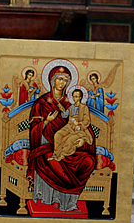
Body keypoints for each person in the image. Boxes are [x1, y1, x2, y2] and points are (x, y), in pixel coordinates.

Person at [27, 66, 96, 212]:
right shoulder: (41, 103)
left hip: (70, 145)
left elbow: (84, 124)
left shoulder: (71, 102)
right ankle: (59, 201)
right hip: (46, 145)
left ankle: (71, 201)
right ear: (52, 81)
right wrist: (47, 121)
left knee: (88, 161)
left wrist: (83, 140)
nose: (62, 83)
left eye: (66, 80)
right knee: (57, 166)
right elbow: (34, 129)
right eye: (59, 79)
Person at [50, 89, 94, 161]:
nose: (74, 98)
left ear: (80, 97)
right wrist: (62, 110)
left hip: (80, 128)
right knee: (57, 135)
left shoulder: (84, 107)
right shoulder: (71, 107)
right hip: (69, 126)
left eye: (76, 96)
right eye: (73, 96)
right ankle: (55, 154)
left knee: (70, 140)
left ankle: (63, 154)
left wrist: (79, 123)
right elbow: (64, 116)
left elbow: (87, 120)